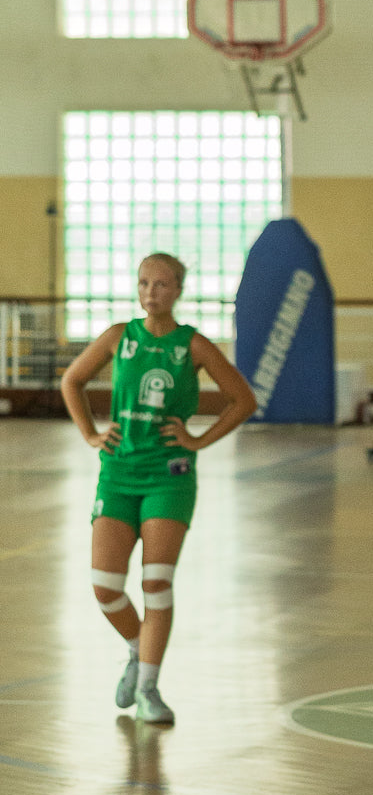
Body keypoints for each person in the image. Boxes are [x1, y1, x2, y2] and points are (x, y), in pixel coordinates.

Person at [60, 252, 257, 725]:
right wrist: (90, 433)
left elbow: (243, 399)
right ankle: (137, 647)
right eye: (145, 283)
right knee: (105, 586)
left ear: (179, 290)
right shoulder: (117, 338)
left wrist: (196, 440)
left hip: (168, 477)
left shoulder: (193, 345)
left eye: (163, 284)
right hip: (118, 472)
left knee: (155, 581)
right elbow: (73, 380)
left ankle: (148, 686)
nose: (152, 292)